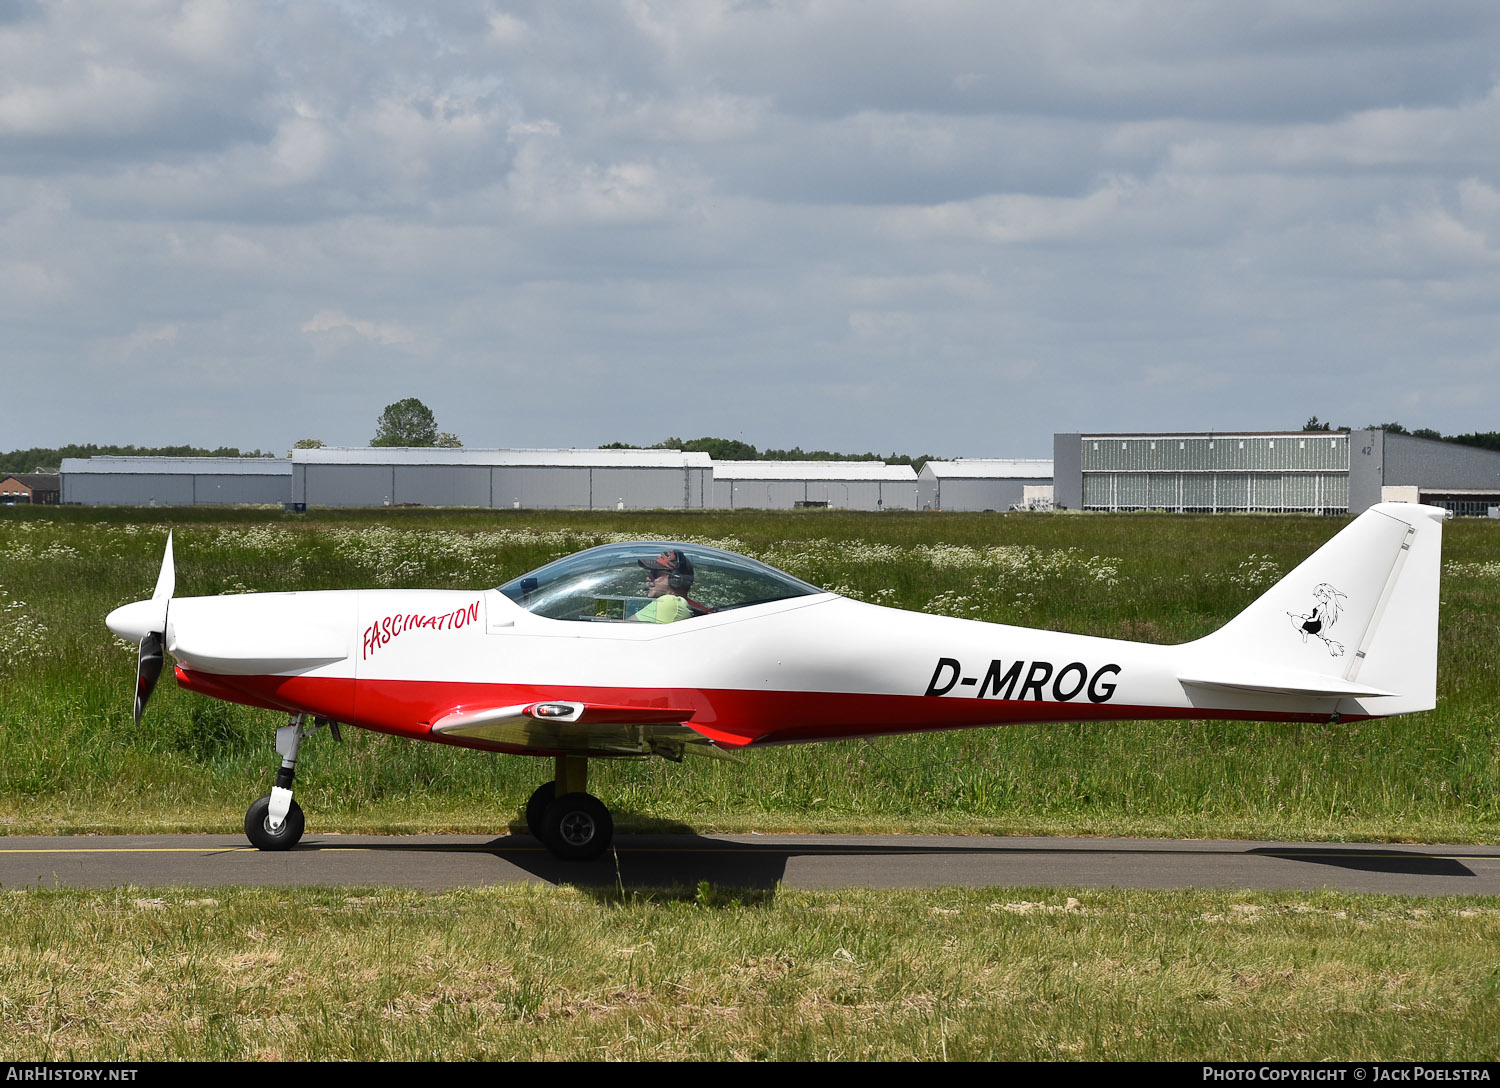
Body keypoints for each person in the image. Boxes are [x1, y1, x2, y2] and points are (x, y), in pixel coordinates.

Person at [633, 549, 696, 623]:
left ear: (675, 580)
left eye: (654, 574)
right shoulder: (685, 604)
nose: (648, 578)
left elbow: (624, 628)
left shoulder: (670, 602)